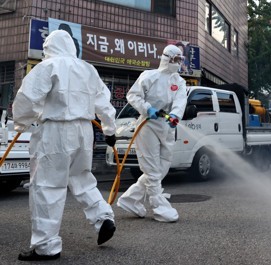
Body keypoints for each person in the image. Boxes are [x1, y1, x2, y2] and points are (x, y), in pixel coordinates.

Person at [13, 30, 117, 261]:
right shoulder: (88, 68)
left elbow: (27, 98)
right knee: (82, 178)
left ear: (48, 48)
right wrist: (110, 130)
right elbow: (104, 101)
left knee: (48, 186)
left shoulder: (47, 67)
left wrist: (20, 123)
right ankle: (103, 218)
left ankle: (46, 246)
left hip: (56, 130)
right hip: (84, 131)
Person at [117, 44, 188, 223]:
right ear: (168, 58)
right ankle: (159, 207)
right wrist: (147, 108)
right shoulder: (149, 76)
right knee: (152, 169)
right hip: (147, 125)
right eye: (177, 59)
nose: (179, 63)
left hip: (167, 125)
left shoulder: (179, 81)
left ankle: (130, 199)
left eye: (181, 59)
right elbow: (133, 96)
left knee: (163, 166)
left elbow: (181, 100)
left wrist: (175, 115)